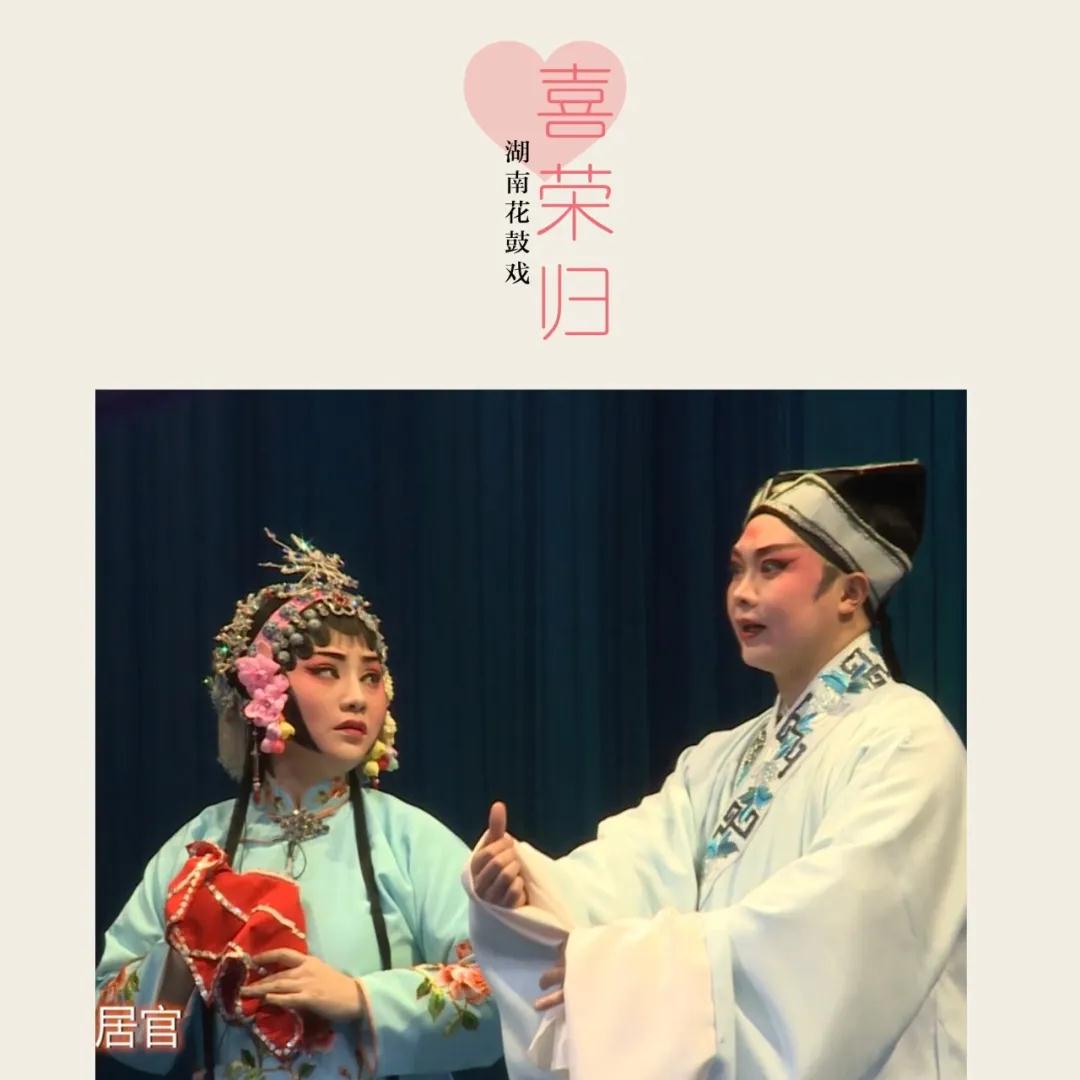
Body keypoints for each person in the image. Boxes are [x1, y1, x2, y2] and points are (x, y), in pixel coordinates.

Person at [466, 460, 965, 1078]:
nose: (742, 593)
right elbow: (639, 866)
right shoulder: (722, 758)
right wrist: (531, 889)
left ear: (850, 593)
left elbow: (840, 926)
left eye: (772, 567)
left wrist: (626, 967)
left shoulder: (907, 739)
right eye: (737, 569)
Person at [96, 530, 503, 1079]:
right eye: (326, 671)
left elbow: (506, 996)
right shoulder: (201, 848)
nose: (356, 696)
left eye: (371, 676)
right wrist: (178, 958)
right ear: (261, 692)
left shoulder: (409, 841)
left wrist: (361, 998)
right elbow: (112, 1033)